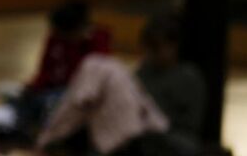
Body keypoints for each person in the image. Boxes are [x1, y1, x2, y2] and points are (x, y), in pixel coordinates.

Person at [37, 54, 174, 156]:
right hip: (148, 132)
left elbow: (75, 107)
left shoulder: (90, 69)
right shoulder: (117, 68)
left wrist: (46, 139)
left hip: (125, 138)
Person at [16, 0, 113, 133]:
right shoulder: (55, 38)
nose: (58, 36)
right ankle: (22, 131)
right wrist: (33, 87)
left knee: (52, 103)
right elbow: (46, 69)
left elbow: (91, 82)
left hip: (78, 92)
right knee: (17, 96)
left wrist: (78, 46)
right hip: (54, 88)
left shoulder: (96, 42)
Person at [135, 13, 205, 156]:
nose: (151, 54)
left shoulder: (188, 77)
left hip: (175, 138)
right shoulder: (143, 72)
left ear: (173, 46)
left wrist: (156, 122)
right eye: (148, 48)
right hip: (144, 134)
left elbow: (190, 123)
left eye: (156, 48)